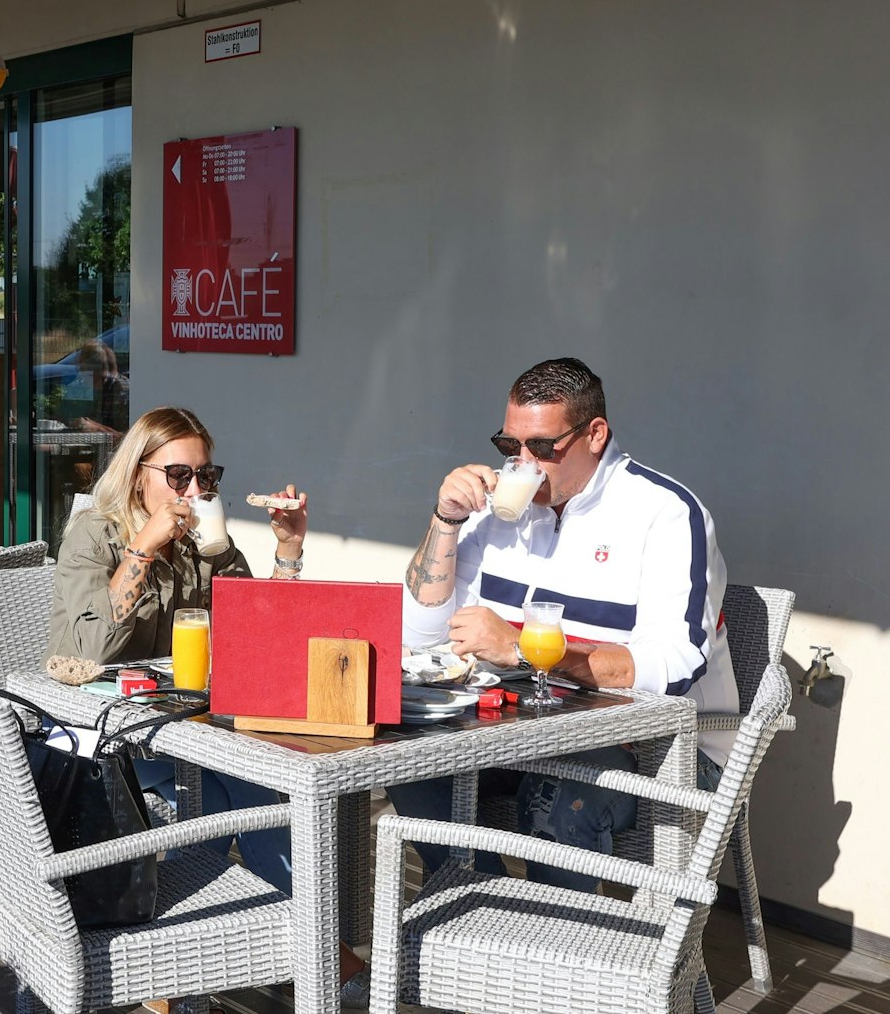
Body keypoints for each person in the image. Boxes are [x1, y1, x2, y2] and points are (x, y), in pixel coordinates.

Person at [46, 406, 367, 1006]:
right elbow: (92, 647)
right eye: (178, 477)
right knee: (229, 795)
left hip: (183, 728)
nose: (194, 491)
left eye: (206, 477)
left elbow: (264, 632)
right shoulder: (97, 533)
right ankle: (320, 954)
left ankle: (174, 967)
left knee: (244, 793)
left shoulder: (204, 539)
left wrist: (288, 549)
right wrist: (143, 547)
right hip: (100, 740)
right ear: (138, 473)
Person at [390, 357, 735, 890]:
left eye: (543, 448)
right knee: (405, 760)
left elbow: (677, 667)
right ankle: (490, 921)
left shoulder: (664, 514)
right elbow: (421, 634)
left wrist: (529, 651)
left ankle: (563, 951)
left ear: (595, 434)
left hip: (660, 746)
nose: (523, 464)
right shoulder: (498, 511)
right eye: (510, 447)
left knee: (555, 796)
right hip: (520, 730)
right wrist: (446, 521)